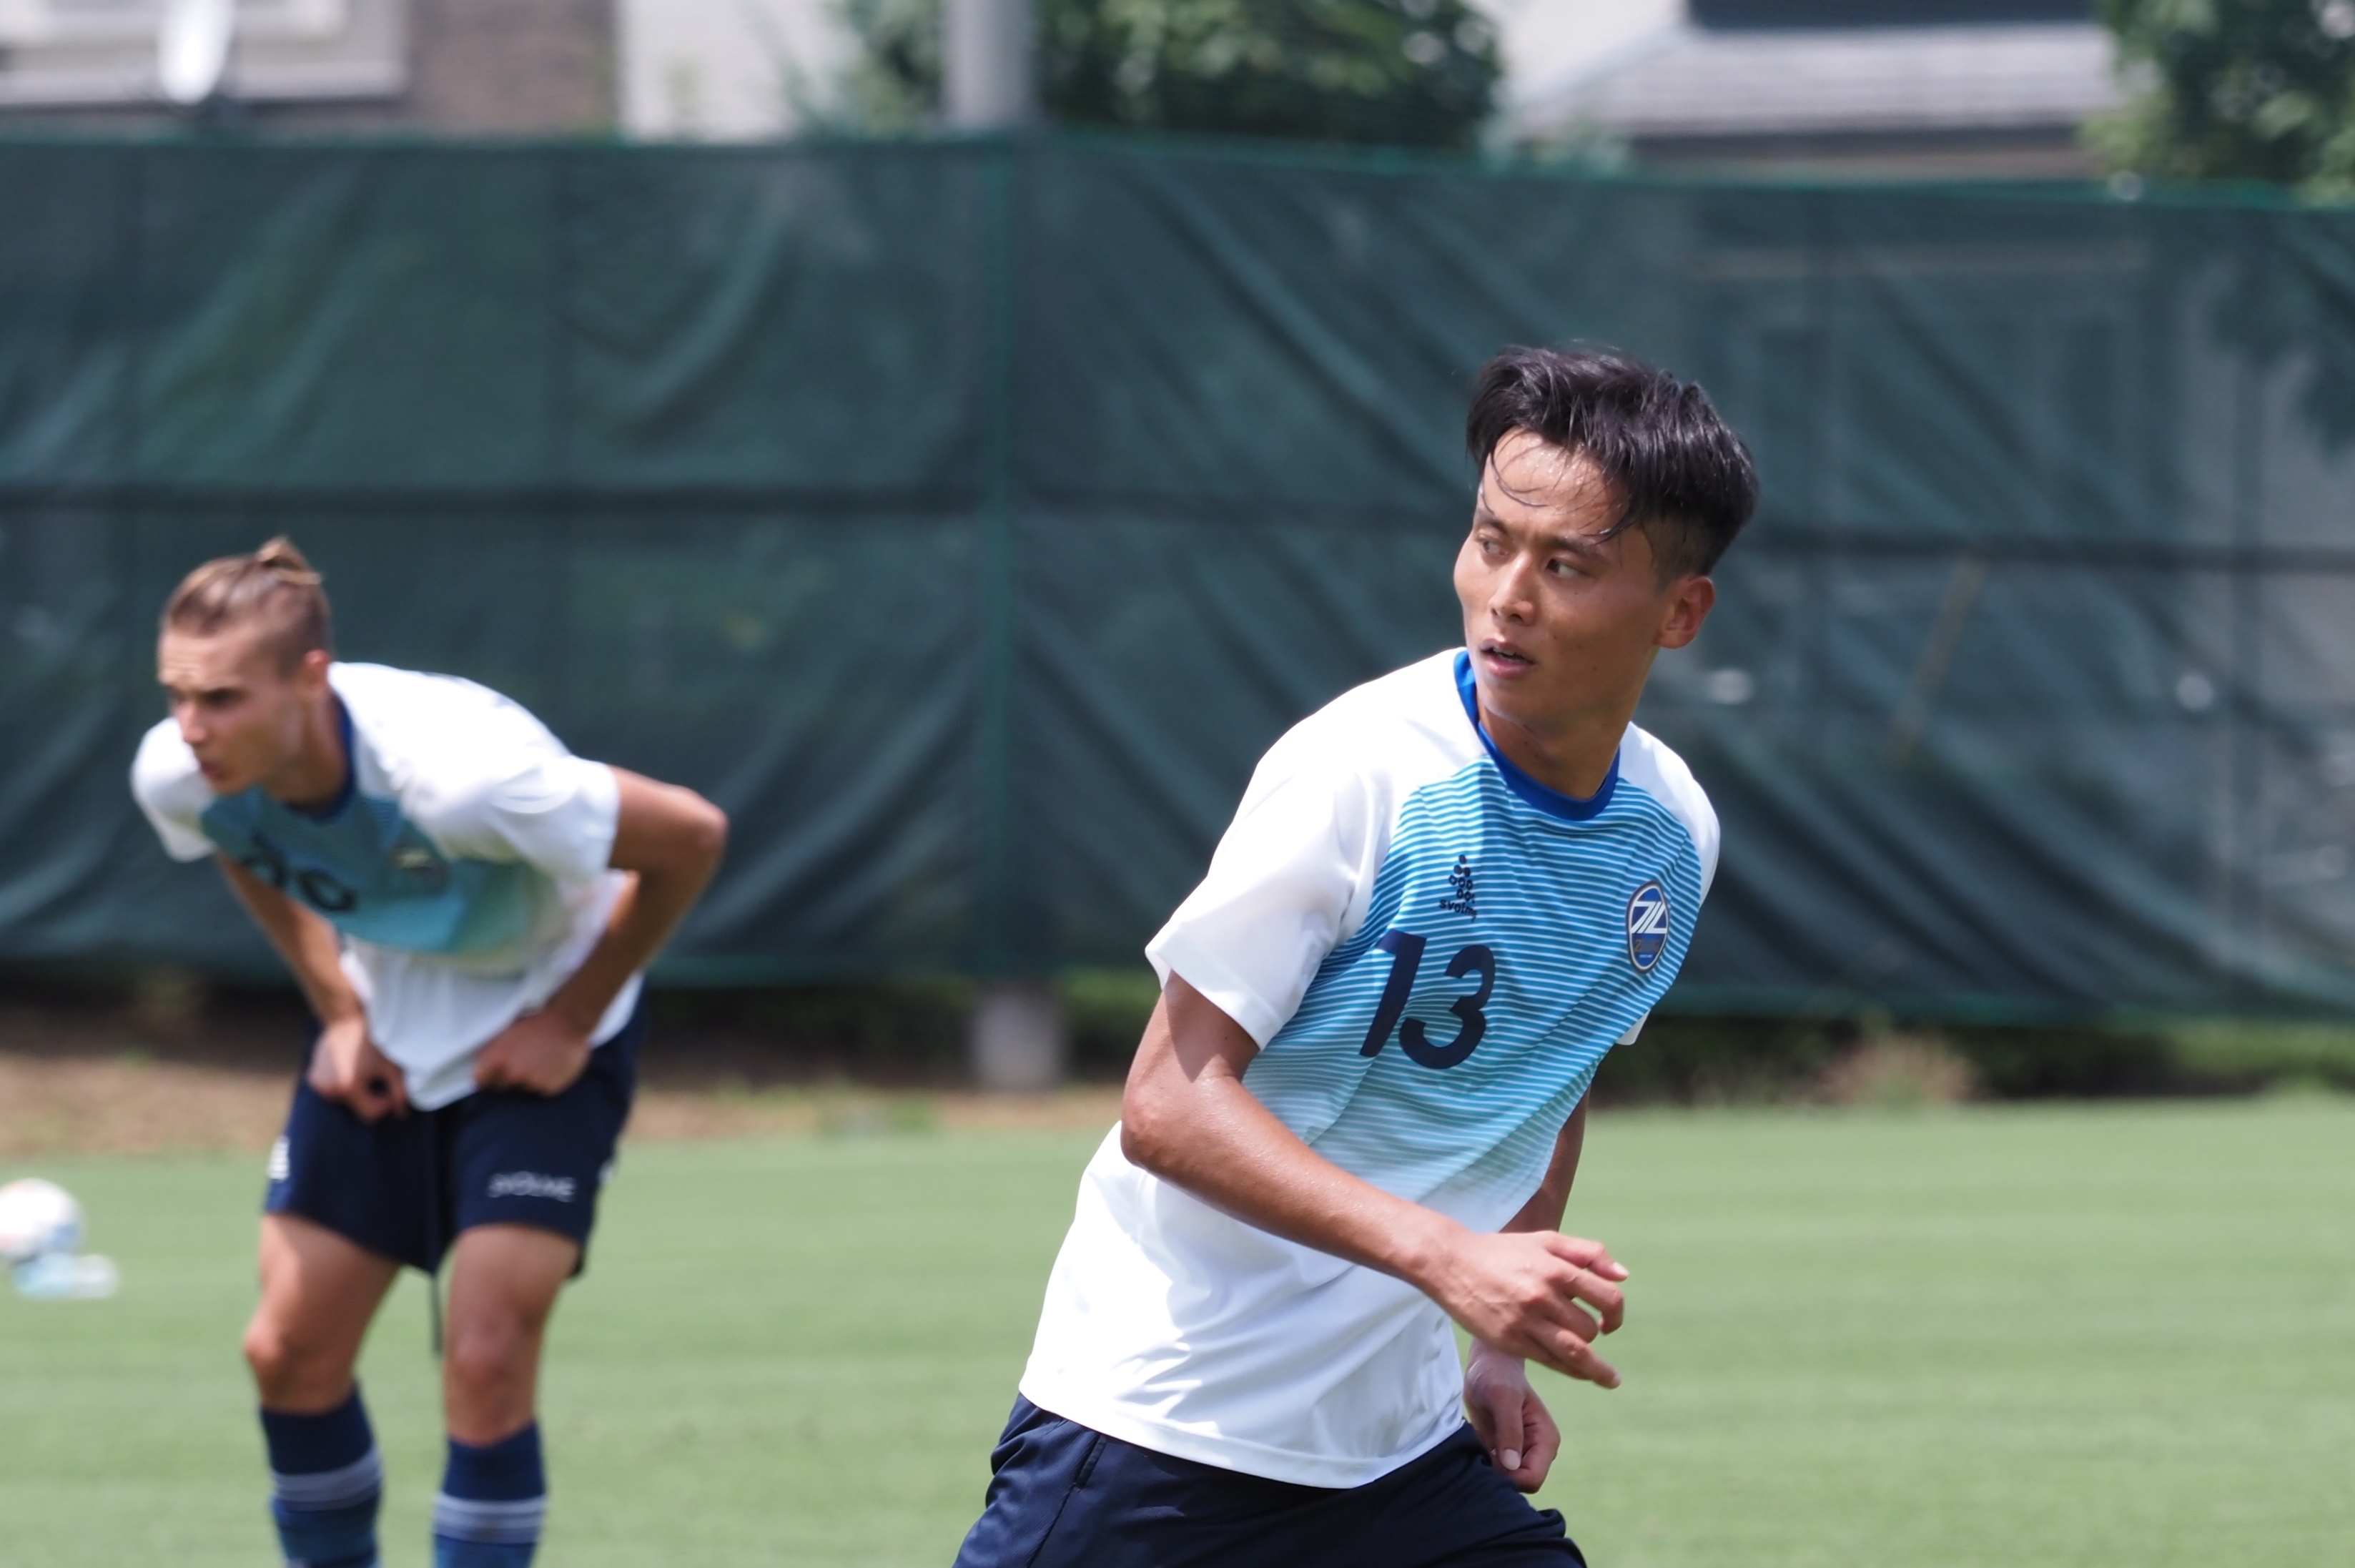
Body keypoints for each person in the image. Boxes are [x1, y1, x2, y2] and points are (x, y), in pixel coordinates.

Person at [954, 347, 1758, 1567]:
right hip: (1162, 1430)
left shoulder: (1669, 831)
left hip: (1396, 1457)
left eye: (1565, 565)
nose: (1507, 595)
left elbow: (1558, 1067)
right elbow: (1166, 1103)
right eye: (1489, 542)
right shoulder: (1359, 772)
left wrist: (1497, 1341)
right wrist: (1450, 1259)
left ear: (1679, 613)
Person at [130, 538, 727, 1568]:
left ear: (310, 679)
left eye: (221, 698)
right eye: (177, 695)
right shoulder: (181, 775)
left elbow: (692, 836)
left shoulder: (462, 781)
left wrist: (569, 1020)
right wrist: (339, 1010)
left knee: (486, 1357)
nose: (193, 728)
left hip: (543, 1022)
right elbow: (243, 842)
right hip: (388, 1021)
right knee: (286, 1352)